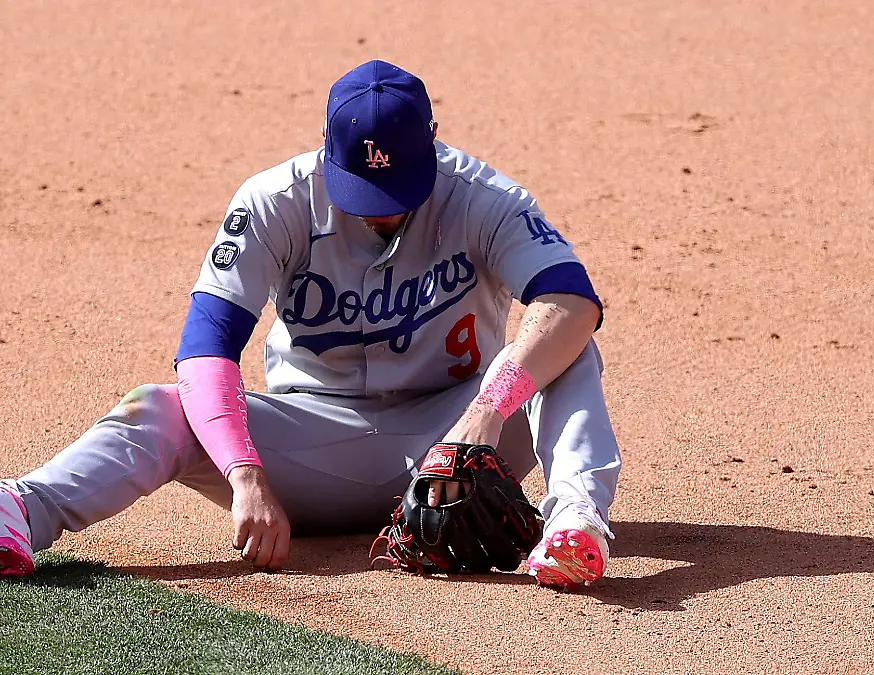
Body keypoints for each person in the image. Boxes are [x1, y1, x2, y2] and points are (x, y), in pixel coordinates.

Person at [0, 59, 622, 590]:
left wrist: (483, 417)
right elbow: (205, 348)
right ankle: (21, 510)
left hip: (456, 441)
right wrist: (245, 474)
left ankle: (573, 523)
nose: (383, 213)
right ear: (325, 146)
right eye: (365, 192)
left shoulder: (484, 196)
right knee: (160, 408)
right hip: (312, 447)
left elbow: (571, 301)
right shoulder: (275, 201)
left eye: (400, 188)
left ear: (434, 141)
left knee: (565, 349)